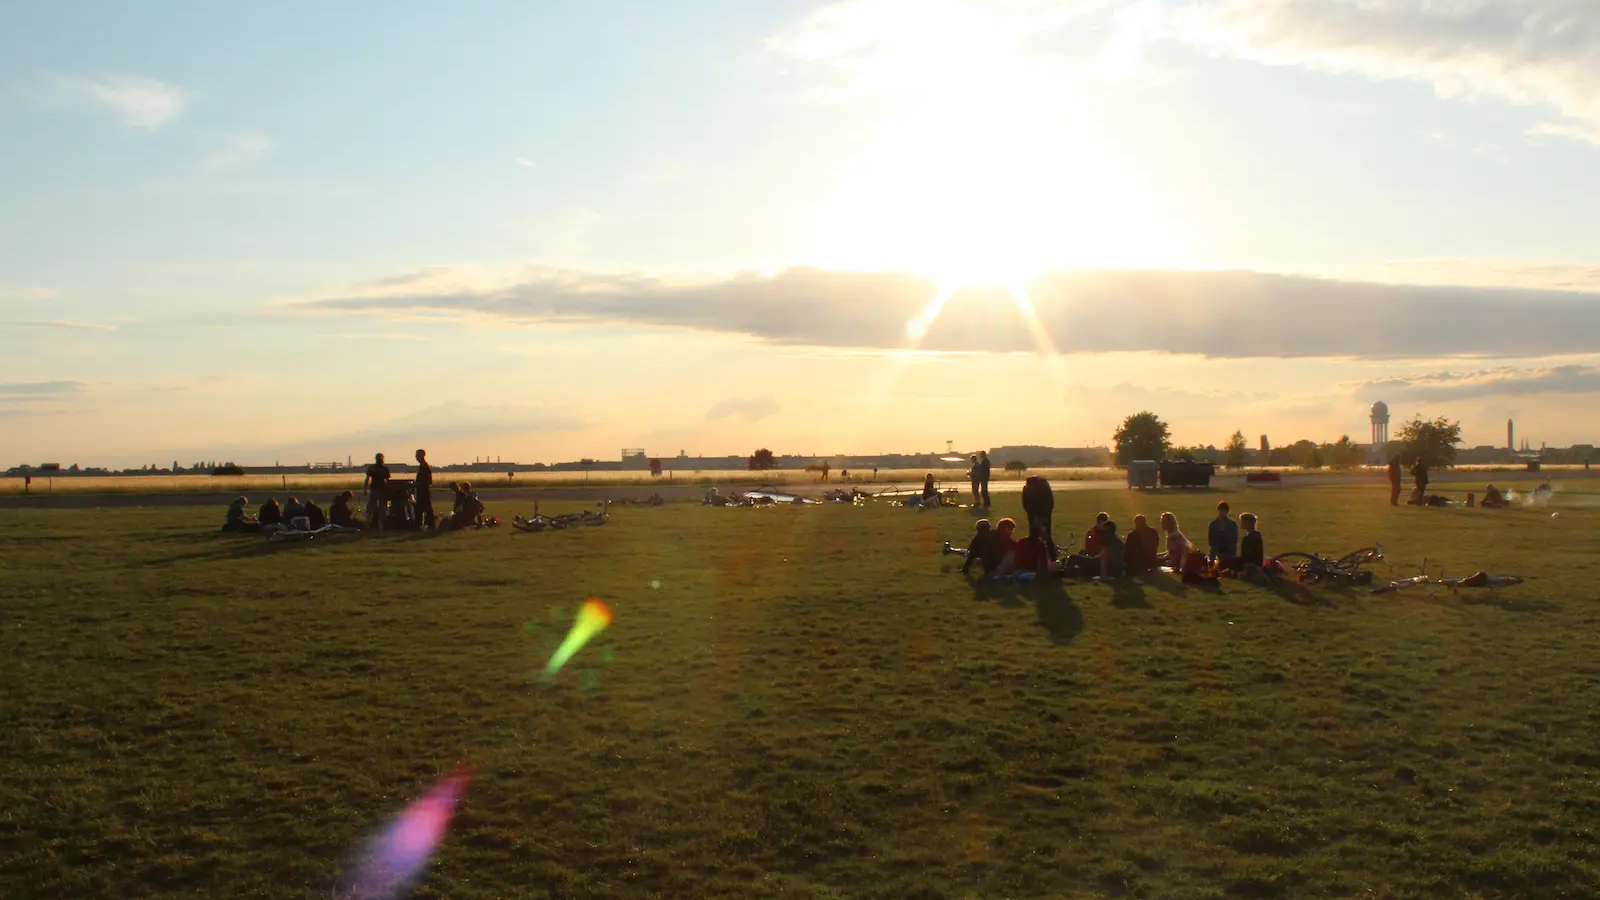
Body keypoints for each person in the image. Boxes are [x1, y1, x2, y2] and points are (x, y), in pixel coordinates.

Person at [1020, 474, 1055, 558]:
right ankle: (1051, 555)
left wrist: (1032, 515)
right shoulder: (1045, 487)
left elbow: (1026, 504)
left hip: (1034, 515)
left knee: (1034, 536)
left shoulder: (1028, 489)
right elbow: (1051, 503)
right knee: (1046, 536)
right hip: (1045, 515)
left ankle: (1035, 556)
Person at [364, 453, 392, 533]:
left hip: (378, 491)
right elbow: (388, 481)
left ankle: (370, 526)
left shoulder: (373, 468)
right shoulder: (384, 469)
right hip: (379, 491)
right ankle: (379, 527)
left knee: (373, 509)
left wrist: (365, 490)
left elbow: (367, 479)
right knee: (378, 509)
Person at [1207, 502, 1239, 567]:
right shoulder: (1212, 524)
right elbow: (1211, 541)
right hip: (1215, 551)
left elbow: (1233, 541)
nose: (1222, 513)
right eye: (1221, 510)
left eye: (1224, 511)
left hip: (1228, 552)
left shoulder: (1232, 524)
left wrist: (1226, 552)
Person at [414, 448, 435, 529]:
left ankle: (430, 524)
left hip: (423, 490)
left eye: (417, 455)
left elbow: (426, 480)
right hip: (422, 489)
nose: (416, 457)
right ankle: (419, 525)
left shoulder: (424, 467)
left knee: (426, 508)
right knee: (420, 508)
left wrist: (418, 484)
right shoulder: (423, 466)